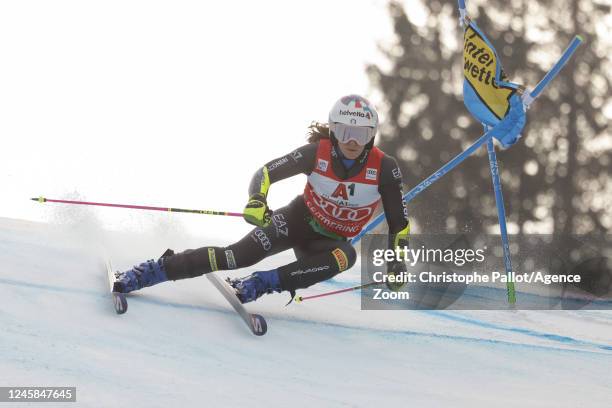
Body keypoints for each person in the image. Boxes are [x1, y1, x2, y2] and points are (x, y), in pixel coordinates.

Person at [113, 94, 410, 303]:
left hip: (326, 244)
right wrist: (257, 199)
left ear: (372, 134)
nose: (352, 142)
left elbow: (399, 224)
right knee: (234, 256)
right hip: (295, 221)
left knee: (347, 256)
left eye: (360, 133)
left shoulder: (384, 168)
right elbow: (266, 172)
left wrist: (397, 263)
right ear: (333, 130)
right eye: (344, 132)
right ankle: (151, 271)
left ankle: (260, 284)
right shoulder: (315, 154)